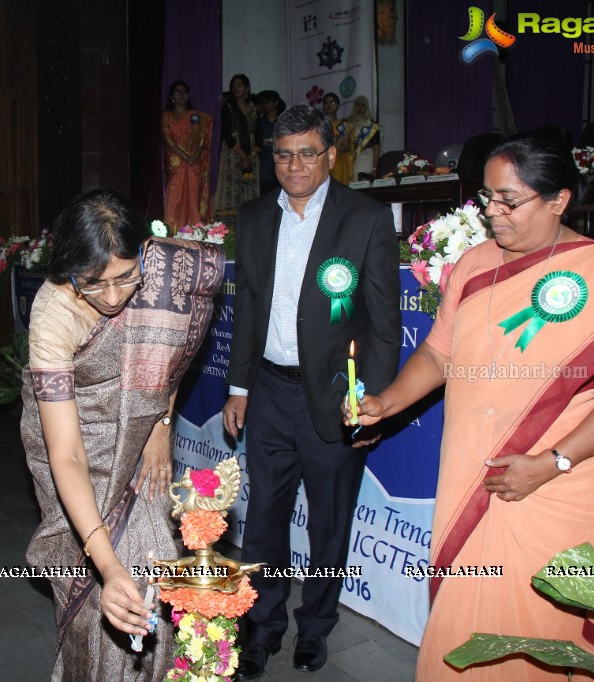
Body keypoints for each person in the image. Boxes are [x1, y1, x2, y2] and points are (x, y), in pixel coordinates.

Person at [347, 131, 594, 679]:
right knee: (460, 638)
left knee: (537, 643)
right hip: (470, 477)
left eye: (508, 201)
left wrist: (551, 463)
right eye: (487, 198)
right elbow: (440, 354)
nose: (492, 213)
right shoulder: (473, 265)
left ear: (559, 199)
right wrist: (387, 401)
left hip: (552, 492)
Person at [222, 104, 401, 677]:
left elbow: (382, 323)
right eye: (283, 153)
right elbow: (247, 307)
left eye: (307, 152)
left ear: (328, 155)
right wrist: (238, 386)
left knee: (328, 521)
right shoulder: (251, 218)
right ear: (270, 157)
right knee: (264, 520)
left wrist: (367, 397)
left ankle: (316, 626)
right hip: (269, 393)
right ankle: (261, 627)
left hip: (333, 395)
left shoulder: (365, 218)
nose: (295, 164)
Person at [21, 189, 224, 680]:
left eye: (125, 279)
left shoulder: (164, 270)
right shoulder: (54, 313)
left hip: (140, 443)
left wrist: (159, 422)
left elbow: (168, 359)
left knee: (156, 566)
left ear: (144, 258)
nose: (113, 298)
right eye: (94, 283)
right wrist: (107, 567)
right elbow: (65, 453)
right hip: (73, 447)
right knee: (94, 596)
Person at [160, 80, 213, 230]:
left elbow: (201, 138)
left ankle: (194, 231)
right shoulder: (167, 116)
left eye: (184, 91)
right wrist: (185, 156)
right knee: (175, 197)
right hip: (176, 162)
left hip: (193, 163)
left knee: (193, 197)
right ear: (172, 96)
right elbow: (168, 140)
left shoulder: (195, 116)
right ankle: (173, 232)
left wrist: (194, 156)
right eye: (177, 91)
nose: (181, 94)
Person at [213, 74, 260, 211]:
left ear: (247, 88)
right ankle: (230, 224)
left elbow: (259, 135)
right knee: (232, 186)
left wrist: (251, 155)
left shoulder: (254, 110)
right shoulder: (228, 108)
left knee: (249, 186)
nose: (235, 87)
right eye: (233, 85)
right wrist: (243, 155)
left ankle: (250, 221)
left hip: (252, 154)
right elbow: (227, 135)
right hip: (233, 151)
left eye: (239, 84)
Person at [255, 90, 286, 196]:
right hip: (264, 167)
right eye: (262, 102)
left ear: (276, 103)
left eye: (267, 102)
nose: (264, 105)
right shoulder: (258, 122)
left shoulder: (284, 121)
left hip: (282, 167)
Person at [322, 93, 356, 186]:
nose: (329, 105)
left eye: (332, 102)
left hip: (340, 163)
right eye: (326, 103)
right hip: (322, 162)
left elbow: (350, 148)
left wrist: (343, 145)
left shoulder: (344, 125)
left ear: (337, 105)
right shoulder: (319, 126)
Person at [347, 96, 380, 178]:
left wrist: (375, 168)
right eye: (357, 105)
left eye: (363, 105)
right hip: (348, 160)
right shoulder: (346, 123)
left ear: (367, 108)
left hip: (366, 160)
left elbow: (376, 148)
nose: (360, 108)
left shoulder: (371, 125)